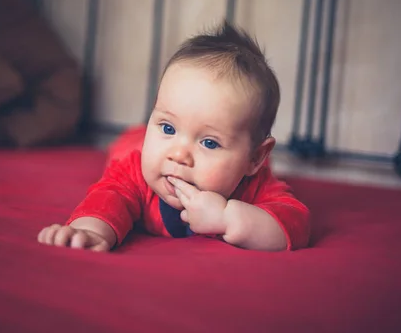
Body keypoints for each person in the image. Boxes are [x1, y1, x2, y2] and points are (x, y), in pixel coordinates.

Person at [38, 21, 311, 252]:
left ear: (255, 157)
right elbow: (108, 197)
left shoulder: (254, 188)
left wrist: (228, 218)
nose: (179, 155)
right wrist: (90, 232)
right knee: (126, 149)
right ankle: (141, 134)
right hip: (131, 146)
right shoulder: (137, 173)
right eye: (168, 128)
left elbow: (295, 224)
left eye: (209, 142)